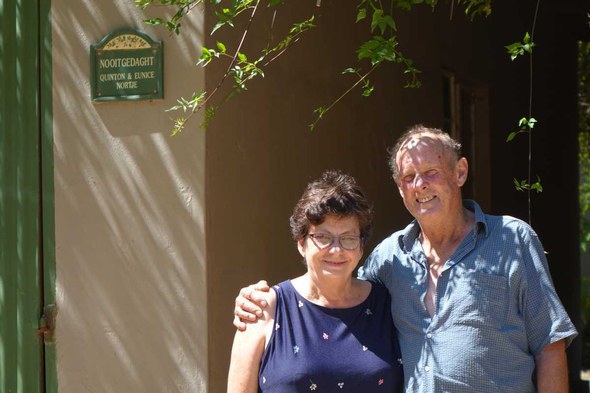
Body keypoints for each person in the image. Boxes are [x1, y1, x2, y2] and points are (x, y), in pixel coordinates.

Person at [233, 125, 578, 392]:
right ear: (400, 188)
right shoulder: (389, 258)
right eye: (408, 178)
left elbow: (550, 346)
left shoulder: (511, 240)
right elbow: (333, 284)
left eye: (431, 172)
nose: (419, 185)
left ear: (460, 172)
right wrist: (258, 299)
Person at [227, 170, 404, 392]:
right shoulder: (262, 310)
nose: (336, 250)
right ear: (301, 243)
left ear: (361, 247)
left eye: (348, 238)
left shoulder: (388, 306)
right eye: (322, 237)